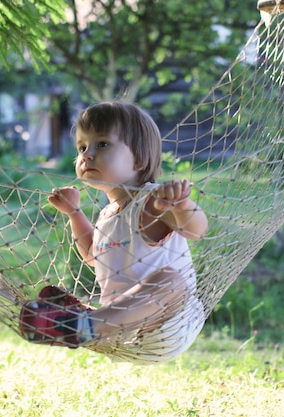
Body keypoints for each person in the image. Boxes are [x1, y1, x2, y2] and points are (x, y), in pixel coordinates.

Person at [19, 100, 208, 362]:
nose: (87, 154)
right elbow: (94, 256)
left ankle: (83, 323)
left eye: (102, 144)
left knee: (171, 281)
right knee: (105, 304)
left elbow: (196, 231)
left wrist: (182, 205)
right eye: (82, 147)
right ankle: (79, 322)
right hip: (121, 331)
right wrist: (75, 213)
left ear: (139, 159)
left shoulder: (152, 200)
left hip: (167, 325)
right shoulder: (108, 214)